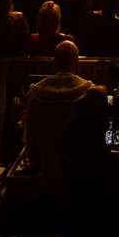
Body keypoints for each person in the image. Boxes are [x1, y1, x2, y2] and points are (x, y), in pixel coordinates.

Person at [19, 40, 99, 194]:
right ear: (77, 63)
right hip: (80, 182)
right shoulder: (89, 92)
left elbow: (31, 145)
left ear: (53, 63)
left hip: (46, 180)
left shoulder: (35, 93)